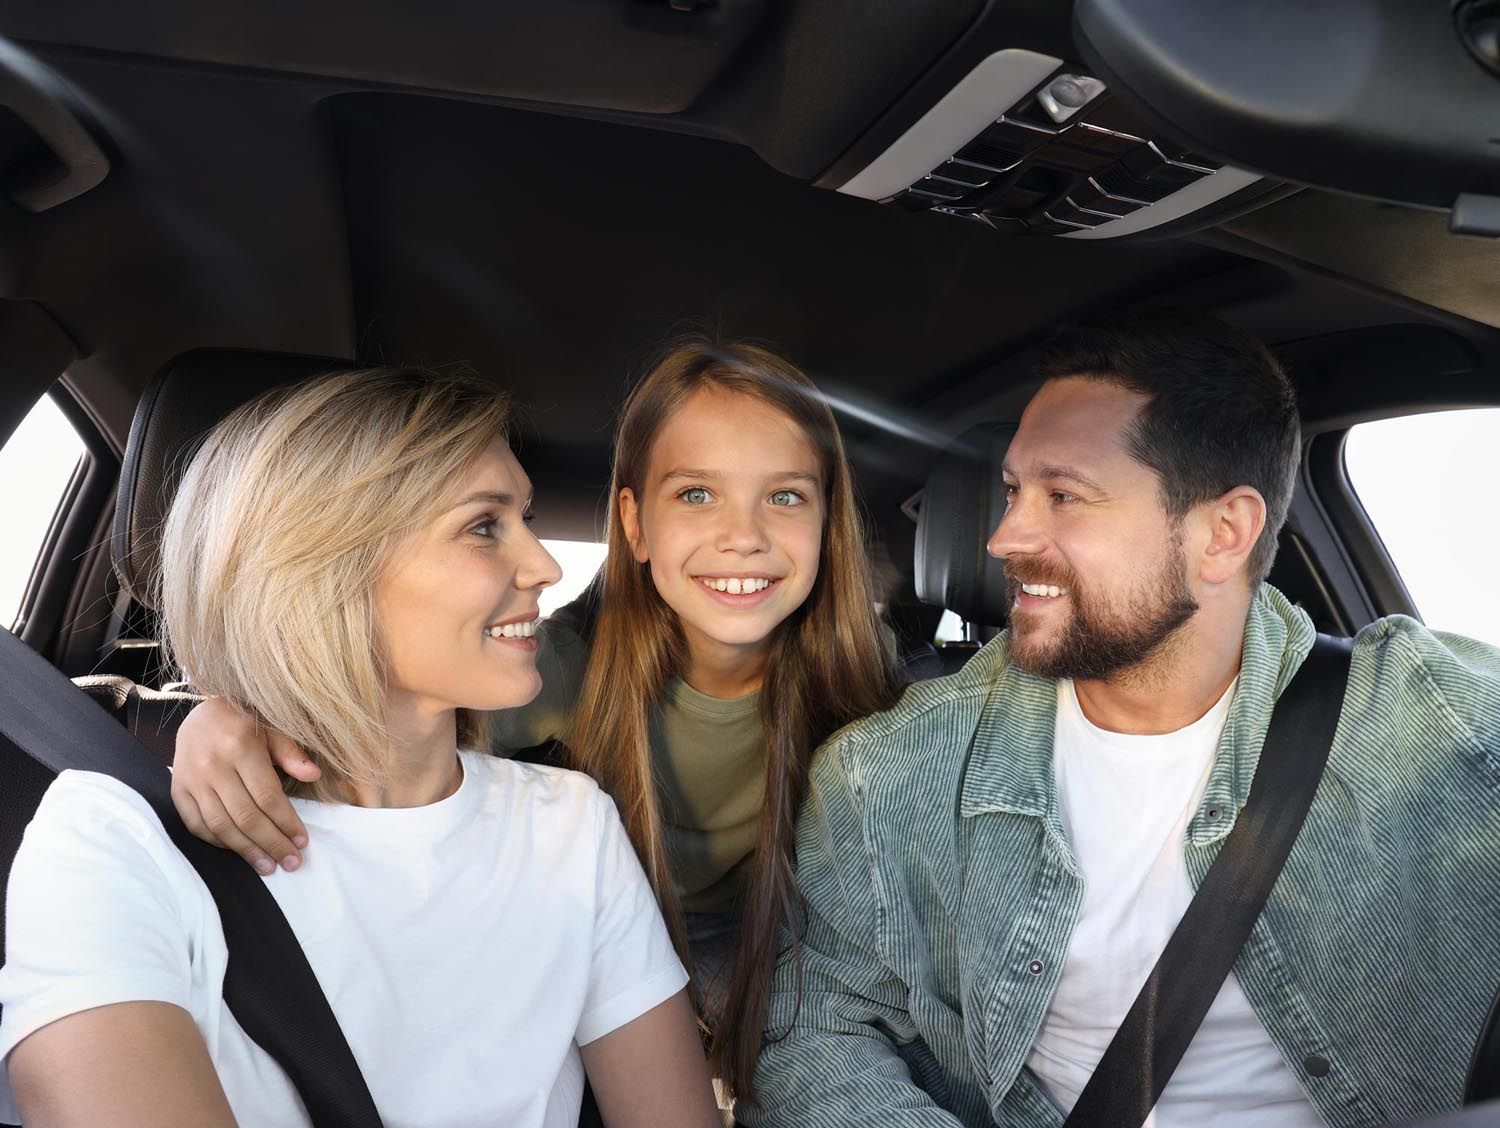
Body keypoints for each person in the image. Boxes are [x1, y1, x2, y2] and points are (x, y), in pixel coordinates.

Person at [740, 310, 1500, 1128]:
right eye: (1011, 492)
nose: (1005, 537)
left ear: (1224, 533)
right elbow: (816, 1027)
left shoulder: (1437, 723)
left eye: (1063, 496)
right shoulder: (886, 774)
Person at [167, 340, 903, 1103]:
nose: (744, 535)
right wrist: (234, 711)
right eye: (696, 494)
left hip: (773, 935)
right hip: (625, 925)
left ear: (829, 521)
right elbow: (387, 705)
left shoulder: (869, 682)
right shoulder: (552, 673)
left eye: (785, 497)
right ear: (635, 525)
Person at [0, 369, 721, 1128]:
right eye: (484, 526)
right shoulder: (114, 843)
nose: (545, 566)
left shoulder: (573, 824)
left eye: (527, 518)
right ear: (322, 568)